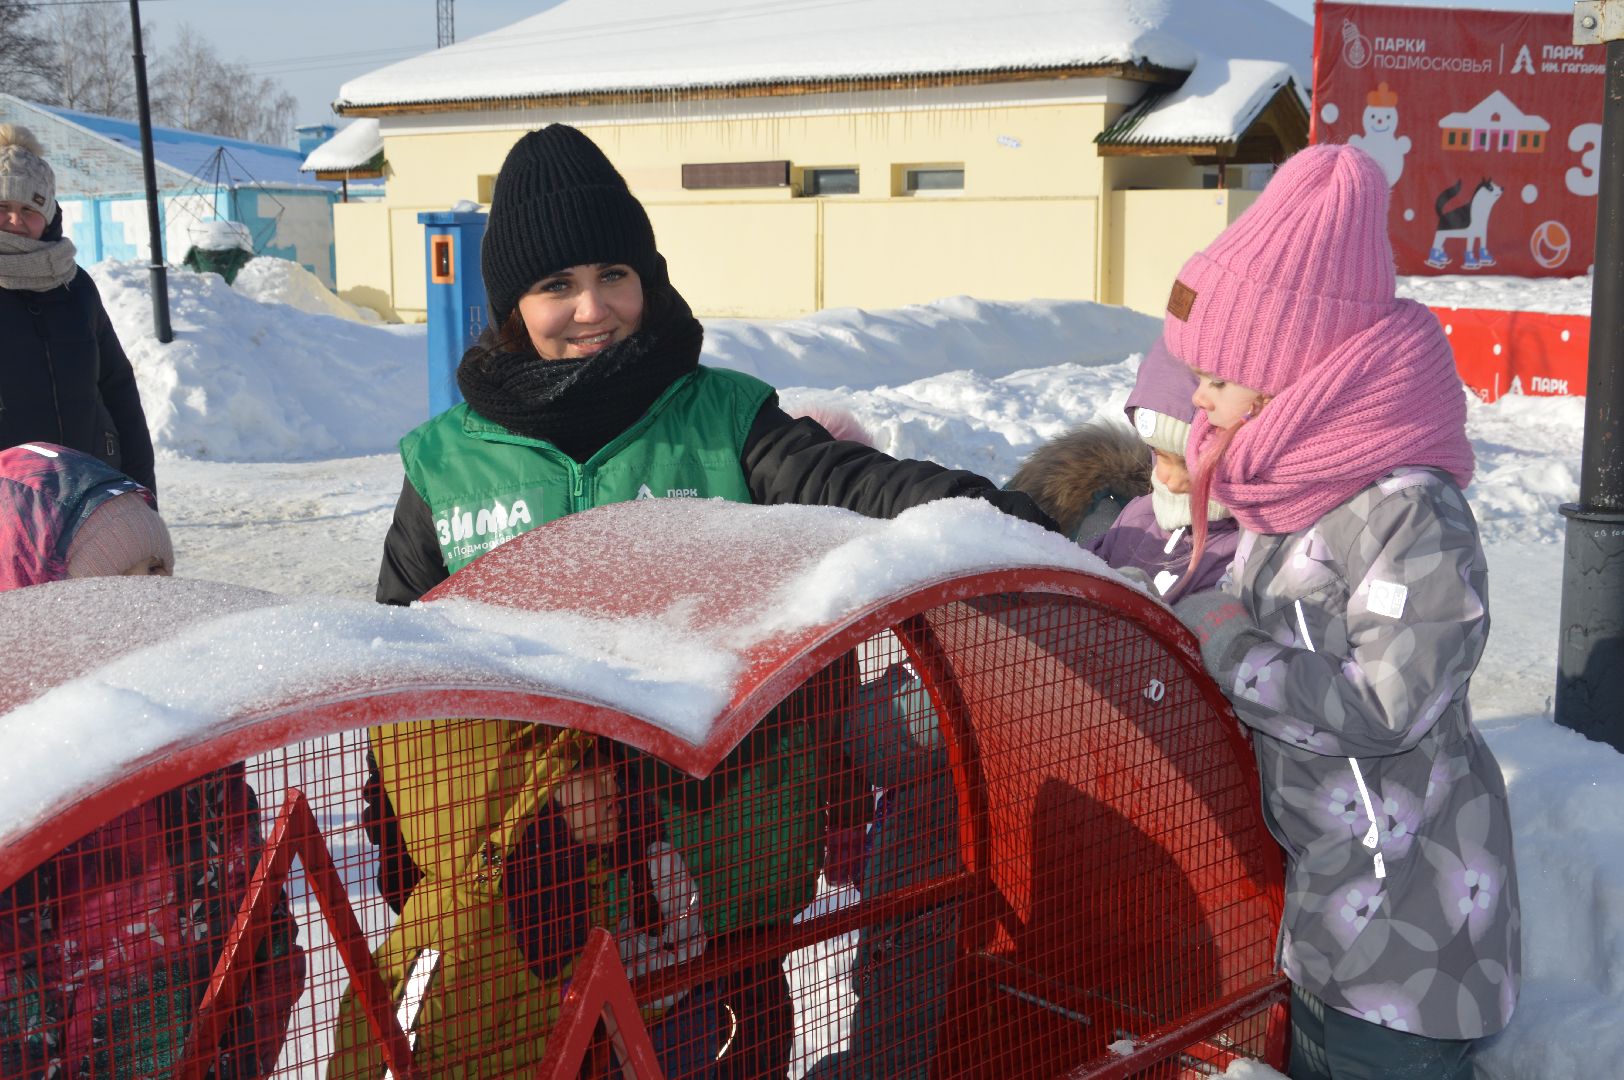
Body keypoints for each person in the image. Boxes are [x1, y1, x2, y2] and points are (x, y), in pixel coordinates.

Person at [358, 122, 1057, 1078]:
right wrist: (410, 839)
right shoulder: (446, 464)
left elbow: (850, 484)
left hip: (721, 872)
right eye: (555, 285)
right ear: (511, 306)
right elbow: (398, 668)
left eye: (614, 273)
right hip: (536, 901)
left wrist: (992, 515)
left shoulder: (721, 417)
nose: (592, 307)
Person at [1165, 146, 1519, 1080]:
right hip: (1329, 913)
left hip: (1411, 933)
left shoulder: (1408, 509)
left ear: (1295, 382)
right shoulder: (1296, 491)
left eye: (1217, 377)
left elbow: (1390, 705)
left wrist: (1231, 646)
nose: (1195, 398)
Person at [0, 442, 303, 1080]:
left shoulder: (189, 741)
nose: (147, 603)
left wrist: (241, 1045)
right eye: (117, 582)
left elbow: (259, 918)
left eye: (158, 575)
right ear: (35, 593)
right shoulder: (20, 776)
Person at [1009, 337, 1239, 596]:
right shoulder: (1138, 518)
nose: (1168, 479)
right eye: (1159, 454)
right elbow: (1074, 576)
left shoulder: (1244, 558)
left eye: (1190, 463)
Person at [0, 127, 156, 496]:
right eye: (2, 208)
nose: (16, 222)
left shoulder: (75, 285)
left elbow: (117, 387)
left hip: (87, 489)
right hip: (9, 501)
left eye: (29, 209)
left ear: (49, 214)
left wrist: (141, 491)